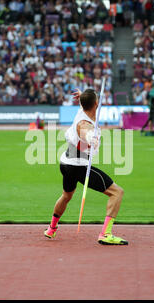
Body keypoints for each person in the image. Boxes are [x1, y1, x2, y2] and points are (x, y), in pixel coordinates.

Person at [44, 88, 128, 245]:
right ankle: (105, 234)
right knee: (117, 193)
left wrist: (82, 95)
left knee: (66, 196)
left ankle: (51, 229)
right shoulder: (85, 122)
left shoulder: (82, 110)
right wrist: (91, 137)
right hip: (79, 166)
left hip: (66, 163)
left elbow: (86, 104)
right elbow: (84, 130)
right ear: (96, 103)